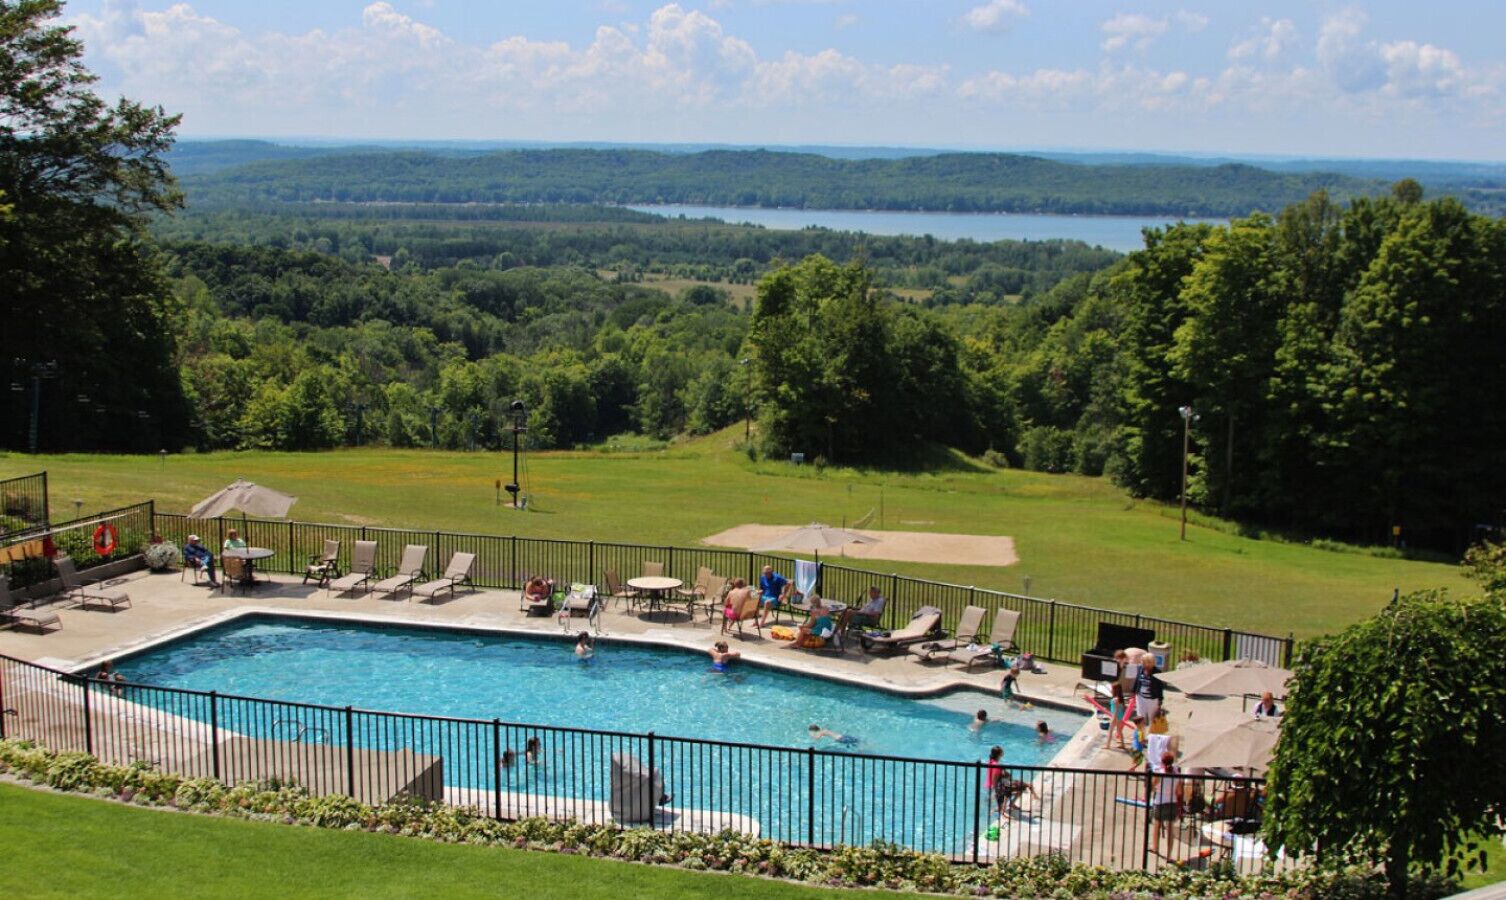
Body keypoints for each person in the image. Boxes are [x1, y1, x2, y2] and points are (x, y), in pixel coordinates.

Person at [1148, 751, 1180, 857]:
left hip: (1160, 801)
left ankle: (1155, 847)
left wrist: (1156, 790)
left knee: (1156, 825)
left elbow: (1152, 786)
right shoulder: (1177, 774)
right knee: (1170, 829)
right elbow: (1179, 791)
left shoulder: (1159, 773)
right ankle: (1169, 855)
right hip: (1172, 801)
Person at [1134, 656, 1164, 726]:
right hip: (1140, 698)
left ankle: (1151, 732)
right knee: (1140, 718)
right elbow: (1137, 681)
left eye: (1143, 661)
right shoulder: (1140, 668)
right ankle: (1141, 732)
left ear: (1149, 662)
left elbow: (1160, 687)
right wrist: (1134, 692)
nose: (1141, 663)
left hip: (1152, 699)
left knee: (1153, 719)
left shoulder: (1157, 672)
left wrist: (1160, 700)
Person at [1107, 681, 1130, 750]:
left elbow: (1116, 710)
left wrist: (1113, 718)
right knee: (1119, 731)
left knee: (1110, 730)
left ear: (1115, 690)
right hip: (1119, 717)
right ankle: (1122, 745)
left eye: (1112, 689)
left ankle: (1107, 745)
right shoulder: (1119, 698)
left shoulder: (1116, 699)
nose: (1111, 690)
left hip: (1116, 717)